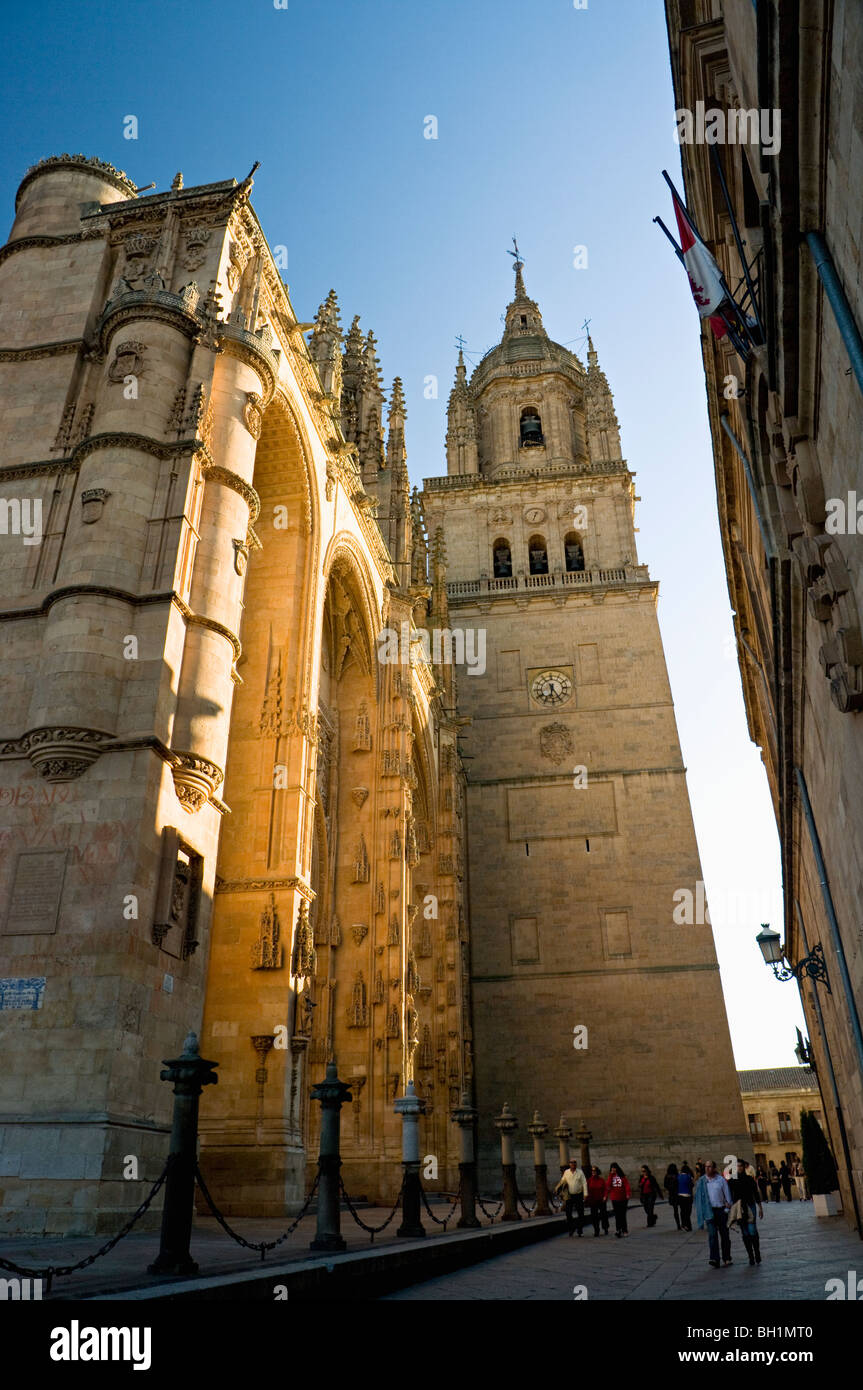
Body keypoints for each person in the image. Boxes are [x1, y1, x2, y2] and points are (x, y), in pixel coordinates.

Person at [695, 1159, 733, 1268]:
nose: (707, 1168)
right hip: (709, 1212)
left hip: (721, 1210)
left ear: (714, 1168)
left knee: (724, 1235)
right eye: (706, 1166)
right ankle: (714, 1259)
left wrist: (726, 1210)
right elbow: (699, 1199)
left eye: (710, 1166)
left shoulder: (721, 1180)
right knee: (712, 1236)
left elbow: (728, 1197)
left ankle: (727, 1258)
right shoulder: (702, 1181)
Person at [730, 1159, 763, 1265]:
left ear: (744, 1167)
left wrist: (760, 1207)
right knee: (745, 1232)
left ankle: (757, 1252)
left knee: (752, 1230)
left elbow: (756, 1193)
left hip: (750, 1206)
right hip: (739, 1208)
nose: (739, 1168)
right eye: (737, 1166)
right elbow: (729, 1194)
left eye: (740, 1166)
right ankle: (750, 1256)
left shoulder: (749, 1179)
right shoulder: (732, 1181)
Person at [555, 1159, 589, 1237]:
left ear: (576, 1164)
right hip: (569, 1196)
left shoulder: (580, 1172)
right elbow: (562, 1180)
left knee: (581, 1213)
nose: (573, 1164)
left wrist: (585, 1194)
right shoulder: (566, 1172)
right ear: (569, 1164)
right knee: (568, 1213)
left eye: (574, 1163)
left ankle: (580, 1230)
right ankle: (571, 1228)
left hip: (578, 1195)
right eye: (571, 1163)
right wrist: (557, 1188)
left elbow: (584, 1182)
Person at [606, 1163, 631, 1237]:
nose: (613, 1169)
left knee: (622, 1215)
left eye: (614, 1168)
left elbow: (627, 1186)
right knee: (617, 1215)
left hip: (623, 1198)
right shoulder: (610, 1176)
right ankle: (618, 1229)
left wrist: (628, 1194)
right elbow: (608, 1185)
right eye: (612, 1168)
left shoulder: (622, 1177)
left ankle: (624, 1230)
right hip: (614, 1198)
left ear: (617, 1168)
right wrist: (611, 1175)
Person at [587, 1164, 610, 1236]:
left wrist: (605, 1197)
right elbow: (586, 1190)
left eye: (595, 1170)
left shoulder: (602, 1180)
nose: (593, 1172)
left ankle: (605, 1228)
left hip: (601, 1200)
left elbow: (605, 1189)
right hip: (593, 1201)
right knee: (594, 1216)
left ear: (597, 1171)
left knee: (604, 1215)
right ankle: (596, 1230)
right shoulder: (589, 1180)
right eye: (592, 1171)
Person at [676, 1162, 694, 1231]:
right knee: (688, 1212)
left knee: (682, 1211)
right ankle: (688, 1226)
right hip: (688, 1196)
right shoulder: (689, 1177)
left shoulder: (678, 1176)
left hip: (680, 1196)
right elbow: (691, 1185)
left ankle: (684, 1224)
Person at [664, 1163, 681, 1230]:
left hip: (672, 1195)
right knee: (682, 1210)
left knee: (675, 1210)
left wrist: (669, 1189)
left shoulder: (667, 1176)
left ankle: (678, 1224)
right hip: (678, 1194)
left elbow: (665, 1185)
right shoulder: (677, 1175)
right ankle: (683, 1223)